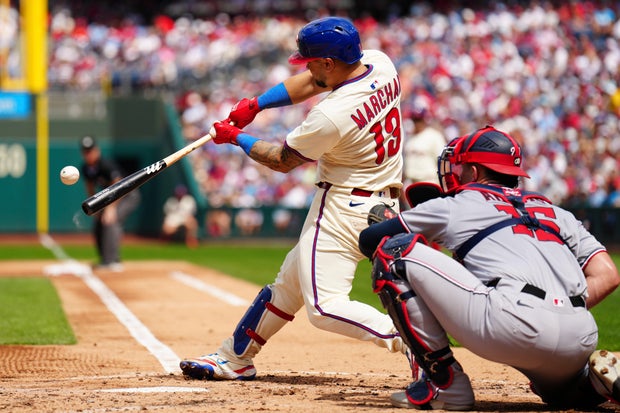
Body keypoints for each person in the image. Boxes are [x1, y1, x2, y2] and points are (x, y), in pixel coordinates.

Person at [180, 16, 407, 381]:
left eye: (313, 60)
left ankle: (412, 340)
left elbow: (283, 160)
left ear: (329, 62)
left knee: (325, 306)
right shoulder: (380, 62)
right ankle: (234, 358)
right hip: (381, 203)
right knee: (289, 284)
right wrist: (257, 105)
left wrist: (235, 138)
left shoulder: (331, 115)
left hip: (343, 207)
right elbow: (312, 82)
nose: (308, 67)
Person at [358, 126, 620, 410]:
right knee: (562, 396)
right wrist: (557, 309)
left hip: (512, 325)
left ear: (474, 171)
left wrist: (388, 221)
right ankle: (592, 383)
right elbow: (608, 275)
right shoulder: (557, 212)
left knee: (393, 252)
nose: (454, 174)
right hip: (580, 335)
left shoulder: (457, 203)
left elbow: (370, 240)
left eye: (459, 168)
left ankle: (445, 387)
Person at [80, 135, 140, 272]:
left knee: (111, 220)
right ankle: (105, 259)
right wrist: (94, 208)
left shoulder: (105, 164)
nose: (88, 154)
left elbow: (119, 185)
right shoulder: (86, 168)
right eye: (85, 151)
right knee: (98, 224)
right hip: (109, 199)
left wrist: (111, 208)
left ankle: (113, 260)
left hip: (127, 195)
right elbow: (90, 188)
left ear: (97, 150)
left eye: (90, 150)